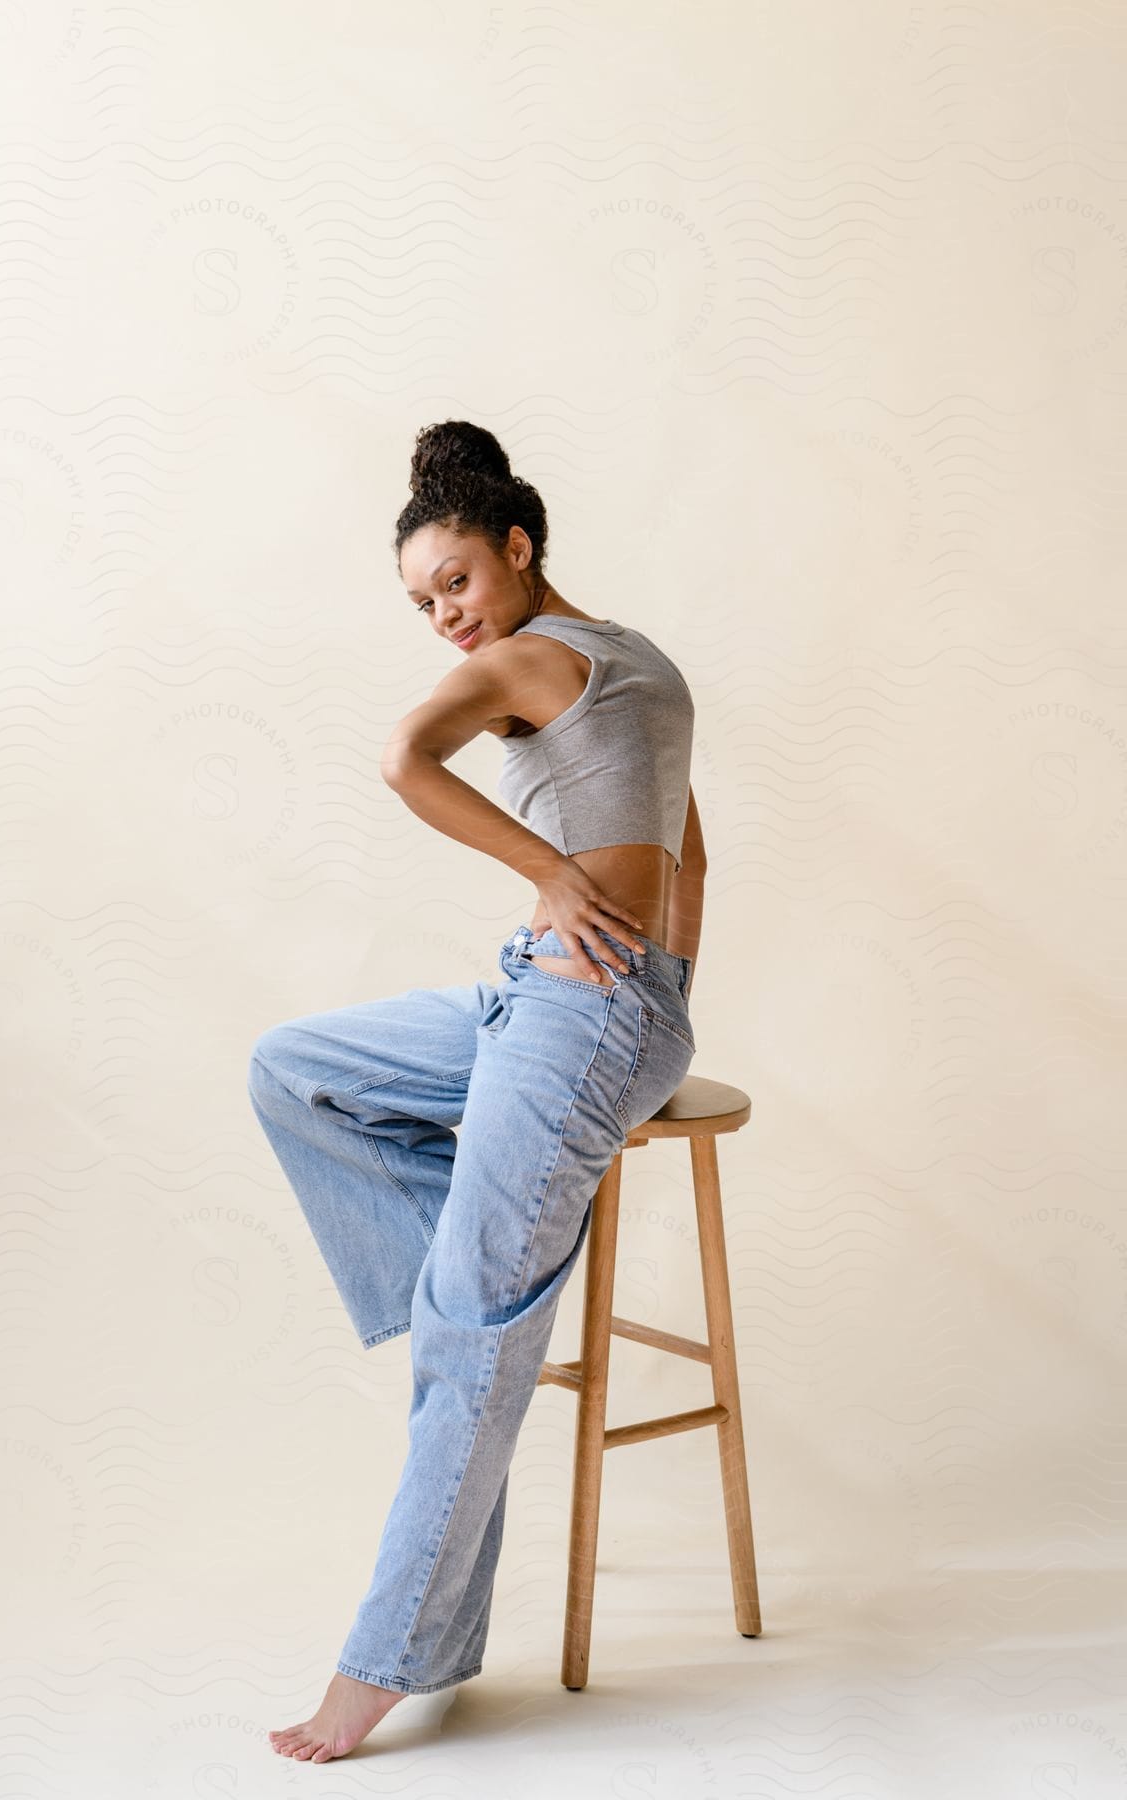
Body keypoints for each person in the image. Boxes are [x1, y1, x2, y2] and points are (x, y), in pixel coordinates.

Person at [247, 419, 707, 1763]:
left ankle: (384, 1666)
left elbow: (403, 759)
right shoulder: (640, 659)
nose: (444, 615)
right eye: (422, 602)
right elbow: (687, 838)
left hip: (581, 1015)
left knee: (469, 1339)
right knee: (299, 1069)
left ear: (517, 547)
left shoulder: (528, 658)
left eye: (455, 580)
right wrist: (662, 985)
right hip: (566, 995)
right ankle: (467, 1292)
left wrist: (560, 887)